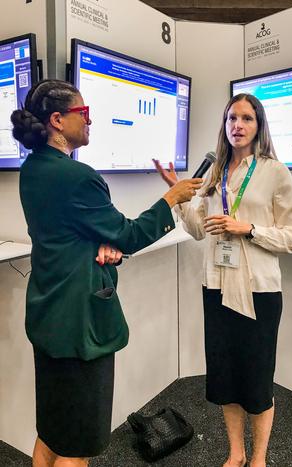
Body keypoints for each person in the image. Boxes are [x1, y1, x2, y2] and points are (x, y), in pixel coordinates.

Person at [10, 79, 202, 467]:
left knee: (51, 432)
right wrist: (171, 198)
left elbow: (65, 234)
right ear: (59, 120)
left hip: (49, 317)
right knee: (76, 449)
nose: (91, 120)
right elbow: (128, 235)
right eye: (84, 113)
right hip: (81, 326)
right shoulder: (77, 177)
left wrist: (100, 246)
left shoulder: (32, 170)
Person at [154, 93, 292, 467]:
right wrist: (179, 196)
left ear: (259, 126)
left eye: (246, 119)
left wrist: (247, 228)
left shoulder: (274, 171)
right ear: (224, 125)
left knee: (256, 381)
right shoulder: (215, 172)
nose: (237, 125)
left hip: (258, 292)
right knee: (225, 379)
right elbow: (198, 230)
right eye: (231, 118)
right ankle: (235, 453)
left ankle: (258, 459)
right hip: (217, 288)